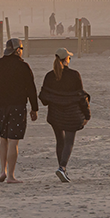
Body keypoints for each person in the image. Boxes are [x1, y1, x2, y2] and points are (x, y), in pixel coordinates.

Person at [0, 38, 38, 184]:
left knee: (3, 138)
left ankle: (3, 170)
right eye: (21, 49)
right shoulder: (23, 66)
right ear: (17, 50)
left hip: (1, 107)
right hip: (18, 106)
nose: (21, 52)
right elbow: (31, 89)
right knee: (14, 141)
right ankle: (11, 176)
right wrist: (34, 108)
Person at [38, 48, 90, 183]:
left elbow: (43, 99)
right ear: (66, 59)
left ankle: (62, 169)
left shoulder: (50, 76)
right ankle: (62, 167)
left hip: (55, 114)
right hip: (72, 114)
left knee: (60, 141)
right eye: (69, 58)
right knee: (69, 141)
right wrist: (87, 115)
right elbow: (81, 97)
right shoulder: (74, 75)